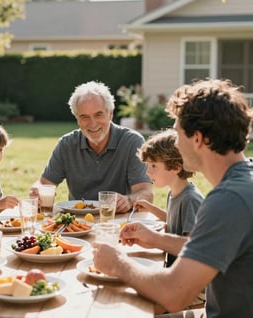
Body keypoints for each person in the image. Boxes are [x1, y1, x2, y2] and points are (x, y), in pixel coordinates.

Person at [93, 78, 253, 317]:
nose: (176, 143)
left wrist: (117, 263)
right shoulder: (242, 184)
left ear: (198, 139)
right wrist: (156, 239)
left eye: (178, 135)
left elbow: (173, 294)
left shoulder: (229, 199)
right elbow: (212, 247)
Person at [30, 81, 153, 213]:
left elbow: (146, 192)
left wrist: (129, 200)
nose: (92, 124)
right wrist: (36, 191)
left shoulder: (132, 142)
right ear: (77, 119)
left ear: (110, 114)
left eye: (98, 115)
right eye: (84, 117)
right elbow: (44, 184)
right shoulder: (66, 144)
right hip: (77, 222)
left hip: (119, 221)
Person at [135, 128, 204, 267]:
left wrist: (155, 239)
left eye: (154, 165)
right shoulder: (175, 192)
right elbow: (174, 221)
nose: (148, 172)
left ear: (176, 168)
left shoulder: (190, 199)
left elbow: (192, 247)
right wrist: (150, 208)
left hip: (183, 276)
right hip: (170, 267)